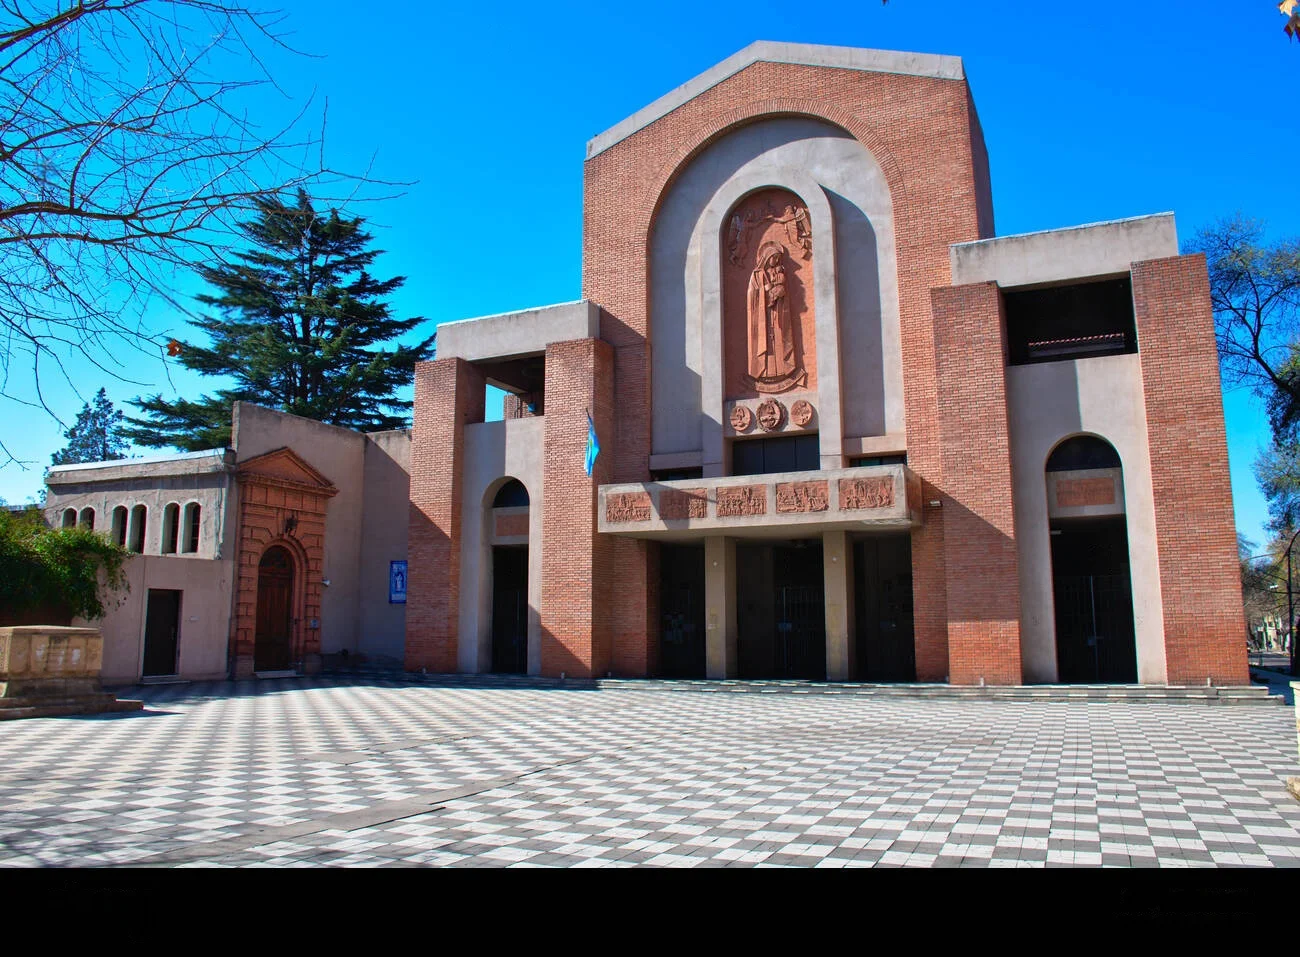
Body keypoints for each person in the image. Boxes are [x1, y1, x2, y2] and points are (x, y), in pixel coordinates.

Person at [746, 241, 797, 382]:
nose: (776, 261)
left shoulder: (779, 272)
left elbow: (783, 291)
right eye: (774, 258)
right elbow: (751, 295)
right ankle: (764, 371)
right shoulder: (756, 275)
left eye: (778, 258)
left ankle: (782, 368)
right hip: (762, 315)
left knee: (779, 338)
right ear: (767, 257)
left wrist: (779, 292)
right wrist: (765, 290)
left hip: (777, 313)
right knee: (765, 341)